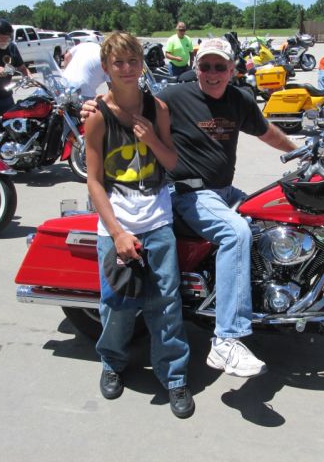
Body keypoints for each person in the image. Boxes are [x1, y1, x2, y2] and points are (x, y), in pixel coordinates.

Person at [82, 38, 297, 378]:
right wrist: (94, 104)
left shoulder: (239, 99)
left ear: (232, 69)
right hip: (191, 193)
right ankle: (227, 338)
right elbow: (131, 104)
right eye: (206, 66)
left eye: (220, 67)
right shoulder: (175, 97)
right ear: (196, 68)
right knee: (236, 231)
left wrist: (300, 151)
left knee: (273, 218)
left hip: (224, 191)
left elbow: (266, 131)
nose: (213, 74)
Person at [84, 31, 194, 419]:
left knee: (166, 304)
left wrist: (151, 139)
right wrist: (116, 233)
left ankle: (174, 376)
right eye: (119, 63)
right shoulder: (96, 117)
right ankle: (112, 362)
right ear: (106, 68)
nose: (127, 69)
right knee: (116, 304)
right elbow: (94, 180)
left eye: (133, 61)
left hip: (156, 220)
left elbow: (172, 163)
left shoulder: (158, 109)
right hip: (116, 224)